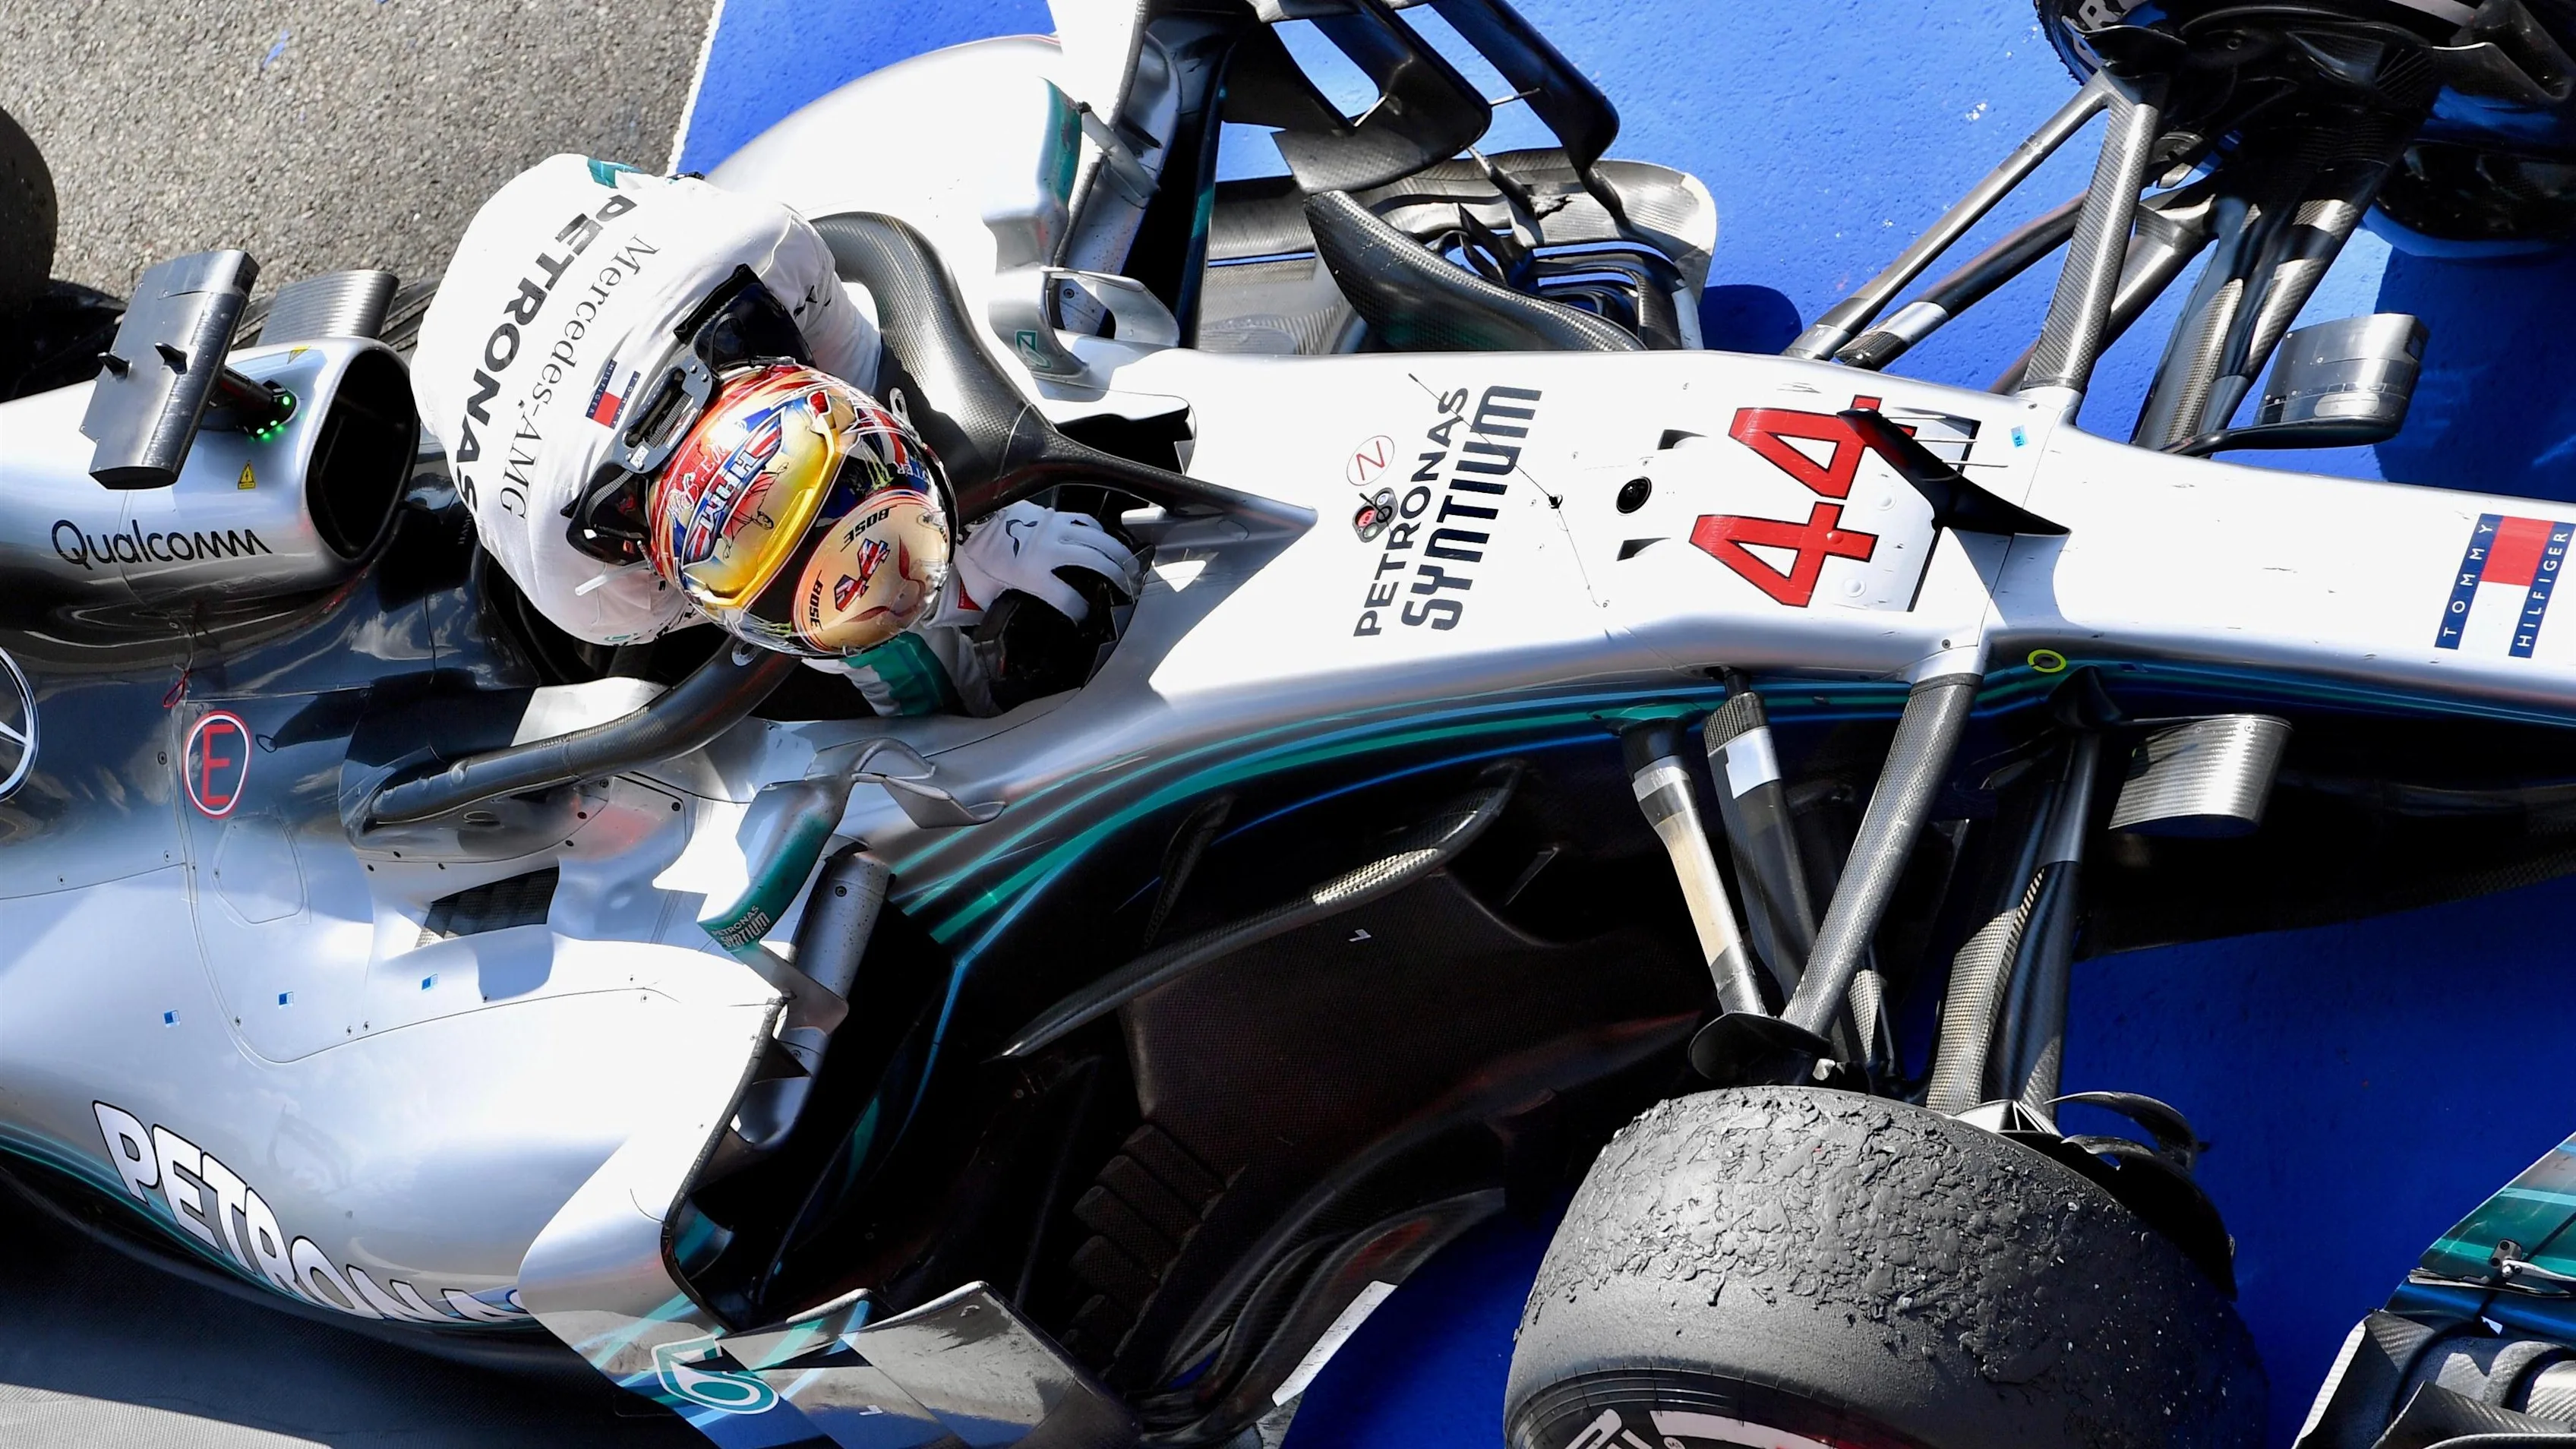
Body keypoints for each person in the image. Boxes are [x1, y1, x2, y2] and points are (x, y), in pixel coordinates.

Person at [411, 154, 1138, 715]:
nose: (888, 588)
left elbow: (880, 390)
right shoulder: (583, 592)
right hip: (458, 365)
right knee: (844, 637)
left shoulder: (766, 249)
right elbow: (740, 615)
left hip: (572, 214)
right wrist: (880, 611)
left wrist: (977, 534)